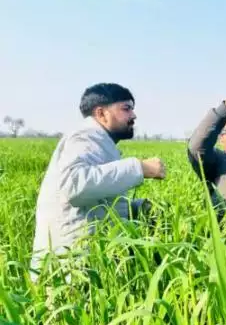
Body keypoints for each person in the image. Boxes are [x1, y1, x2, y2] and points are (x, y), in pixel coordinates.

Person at [30, 83, 165, 277]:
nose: (133, 116)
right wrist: (139, 167)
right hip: (70, 266)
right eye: (126, 109)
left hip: (81, 262)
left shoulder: (99, 141)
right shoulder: (85, 136)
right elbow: (74, 186)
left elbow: (96, 202)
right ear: (101, 113)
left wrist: (135, 208)